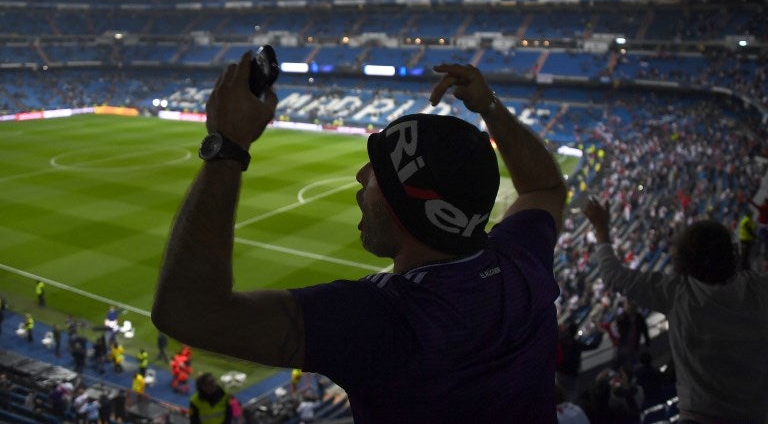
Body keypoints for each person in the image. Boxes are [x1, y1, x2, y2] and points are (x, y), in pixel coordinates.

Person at [152, 54, 567, 422]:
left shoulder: (383, 324)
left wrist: (227, 147)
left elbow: (188, 312)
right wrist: (489, 107)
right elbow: (544, 188)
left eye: (377, 174)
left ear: (405, 211)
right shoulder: (521, 263)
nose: (360, 175)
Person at [584, 196, 768, 422]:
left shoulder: (676, 293)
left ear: (684, 258)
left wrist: (601, 229)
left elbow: (613, 275)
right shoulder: (758, 289)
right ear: (731, 252)